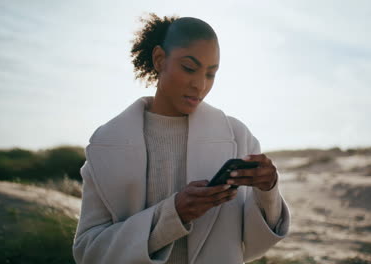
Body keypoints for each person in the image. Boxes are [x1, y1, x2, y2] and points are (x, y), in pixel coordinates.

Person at [72, 13, 290, 264]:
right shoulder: (106, 145)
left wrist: (268, 190)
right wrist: (172, 215)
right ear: (159, 59)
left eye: (211, 74)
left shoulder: (238, 136)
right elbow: (88, 252)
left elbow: (253, 245)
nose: (200, 85)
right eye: (189, 68)